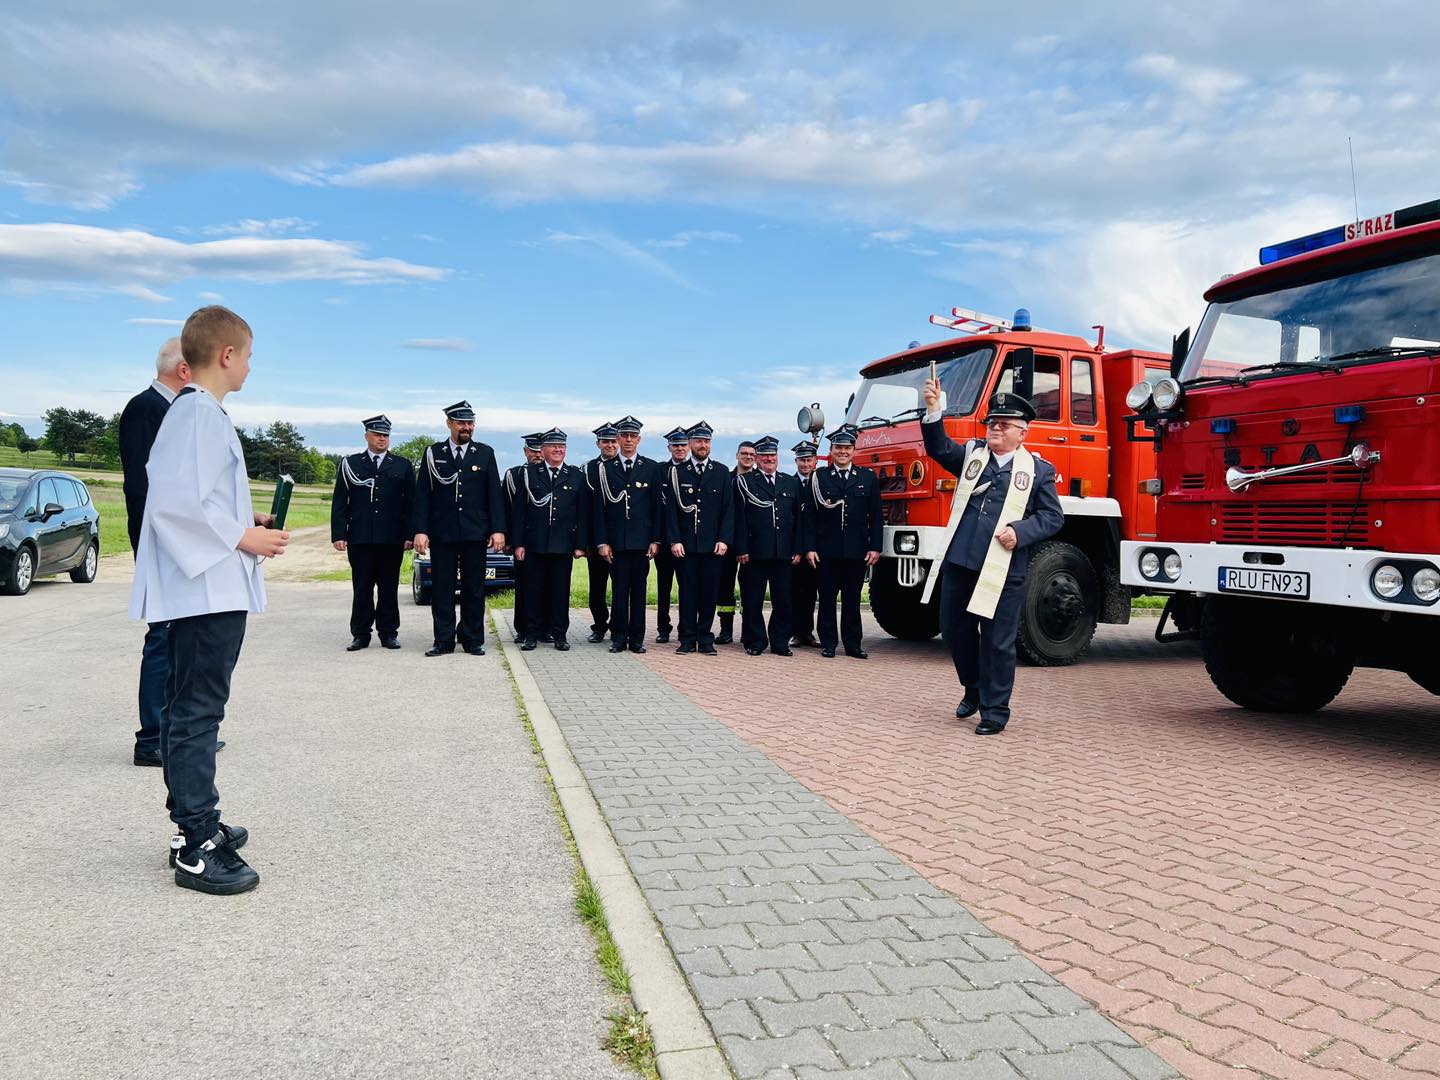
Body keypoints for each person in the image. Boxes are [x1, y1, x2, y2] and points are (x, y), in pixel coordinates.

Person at [129, 305, 288, 895]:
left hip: (212, 582)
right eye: (247, 355)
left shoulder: (202, 413)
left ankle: (196, 819)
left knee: (193, 707)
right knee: (198, 711)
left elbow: (202, 500)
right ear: (226, 355)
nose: (250, 365)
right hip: (204, 589)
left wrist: (247, 520)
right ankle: (194, 841)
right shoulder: (195, 413)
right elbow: (172, 503)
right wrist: (243, 535)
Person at [920, 381, 1064, 734]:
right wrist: (935, 409)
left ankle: (995, 711)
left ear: (1022, 432)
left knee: (998, 641)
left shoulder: (1038, 471)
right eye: (991, 423)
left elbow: (1053, 516)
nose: (994, 428)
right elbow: (938, 447)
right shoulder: (972, 456)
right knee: (955, 632)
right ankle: (973, 687)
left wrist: (1021, 531)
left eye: (1003, 424)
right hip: (961, 563)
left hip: (1003, 570)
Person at [119, 337, 196, 768]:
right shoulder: (146, 408)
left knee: (178, 640)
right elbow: (144, 488)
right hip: (160, 544)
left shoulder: (170, 410)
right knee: (163, 638)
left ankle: (175, 734)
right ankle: (151, 737)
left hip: (173, 542)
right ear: (184, 370)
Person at [412, 401, 505, 657]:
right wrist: (420, 530)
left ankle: (472, 638)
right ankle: (443, 640)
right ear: (449, 424)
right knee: (442, 587)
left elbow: (493, 495)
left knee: (474, 588)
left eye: (470, 423)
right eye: (461, 423)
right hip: (443, 533)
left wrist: (498, 529)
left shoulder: (484, 453)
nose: (467, 427)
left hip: (475, 533)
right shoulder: (433, 453)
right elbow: (423, 495)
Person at [331, 415, 414, 651]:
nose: (382, 439)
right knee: (362, 587)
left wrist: (409, 534)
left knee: (389, 587)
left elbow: (410, 503)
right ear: (367, 435)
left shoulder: (402, 465)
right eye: (377, 434)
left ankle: (388, 633)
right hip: (360, 538)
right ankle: (360, 634)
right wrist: (339, 533)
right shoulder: (351, 464)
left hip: (391, 538)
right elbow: (340, 501)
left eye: (385, 435)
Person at [805, 424, 882, 659]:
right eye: (838, 447)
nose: (843, 452)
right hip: (826, 551)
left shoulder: (867, 477)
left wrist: (875, 546)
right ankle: (828, 643)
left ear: (853, 451)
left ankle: (852, 645)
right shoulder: (819, 477)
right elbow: (809, 515)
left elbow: (876, 515)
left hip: (856, 550)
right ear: (831, 450)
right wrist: (809, 547)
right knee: (827, 599)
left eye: (847, 448)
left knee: (852, 600)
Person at [514, 428, 588, 651]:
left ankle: (559, 635)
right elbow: (519, 512)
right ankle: (531, 634)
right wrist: (518, 543)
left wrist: (580, 545)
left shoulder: (576, 476)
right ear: (543, 449)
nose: (558, 450)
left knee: (559, 592)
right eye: (553, 446)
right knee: (533, 591)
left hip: (562, 544)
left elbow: (582, 513)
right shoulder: (528, 474)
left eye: (562, 446)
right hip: (534, 544)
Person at [593, 416, 662, 654]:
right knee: (619, 591)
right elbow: (599, 508)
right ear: (618, 439)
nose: (628, 440)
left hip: (642, 543)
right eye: (624, 436)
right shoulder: (605, 469)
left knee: (639, 592)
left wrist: (655, 539)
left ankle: (638, 639)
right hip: (617, 543)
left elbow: (657, 508)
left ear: (639, 439)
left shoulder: (651, 468)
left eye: (633, 436)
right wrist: (602, 542)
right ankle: (618, 637)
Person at [667, 421, 734, 655]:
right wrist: (674, 540)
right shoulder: (678, 472)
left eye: (706, 441)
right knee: (687, 594)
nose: (702, 445)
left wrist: (724, 539)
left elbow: (728, 509)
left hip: (712, 546)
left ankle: (705, 638)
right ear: (690, 444)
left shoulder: (722, 472)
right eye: (698, 441)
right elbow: (672, 511)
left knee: (708, 594)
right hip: (685, 546)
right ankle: (687, 638)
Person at [734, 436, 802, 656]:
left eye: (772, 455)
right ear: (757, 459)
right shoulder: (745, 481)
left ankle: (780, 642)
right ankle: (755, 641)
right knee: (752, 601)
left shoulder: (789, 482)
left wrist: (797, 548)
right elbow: (738, 518)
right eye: (764, 456)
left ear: (777, 457)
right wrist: (741, 548)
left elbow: (798, 518)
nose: (769, 459)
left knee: (784, 600)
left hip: (783, 552)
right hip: (754, 552)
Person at [504, 432, 545, 642]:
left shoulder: (549, 475)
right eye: (533, 451)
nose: (537, 455)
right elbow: (509, 510)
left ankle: (545, 628)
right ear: (525, 451)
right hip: (522, 541)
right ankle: (522, 628)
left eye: (540, 451)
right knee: (524, 587)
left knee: (547, 587)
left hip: (544, 541)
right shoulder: (514, 474)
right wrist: (511, 540)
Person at [715, 440, 756, 645]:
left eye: (751, 454)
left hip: (751, 544)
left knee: (749, 588)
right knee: (724, 587)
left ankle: (748, 630)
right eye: (744, 453)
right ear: (737, 455)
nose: (748, 457)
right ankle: (725, 629)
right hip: (728, 543)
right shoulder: (726, 479)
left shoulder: (760, 480)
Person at [652, 426, 690, 643]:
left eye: (683, 445)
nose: (680, 449)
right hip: (665, 542)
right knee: (664, 586)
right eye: (675, 445)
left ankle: (685, 627)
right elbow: (656, 507)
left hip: (687, 541)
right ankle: (663, 628)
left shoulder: (694, 471)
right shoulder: (659, 471)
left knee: (686, 587)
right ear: (669, 447)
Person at [583, 422, 620, 643]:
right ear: (598, 443)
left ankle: (617, 626)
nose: (610, 444)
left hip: (620, 539)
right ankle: (599, 626)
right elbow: (585, 509)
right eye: (605, 441)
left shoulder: (626, 467)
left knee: (620, 586)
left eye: (613, 440)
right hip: (596, 540)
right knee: (597, 587)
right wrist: (587, 541)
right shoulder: (588, 469)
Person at [789, 440, 820, 648]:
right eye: (802, 460)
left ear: (815, 461)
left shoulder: (821, 483)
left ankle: (807, 632)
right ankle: (794, 632)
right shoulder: (788, 483)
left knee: (810, 593)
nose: (805, 464)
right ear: (796, 461)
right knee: (792, 592)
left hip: (815, 549)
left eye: (809, 460)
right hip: (793, 548)